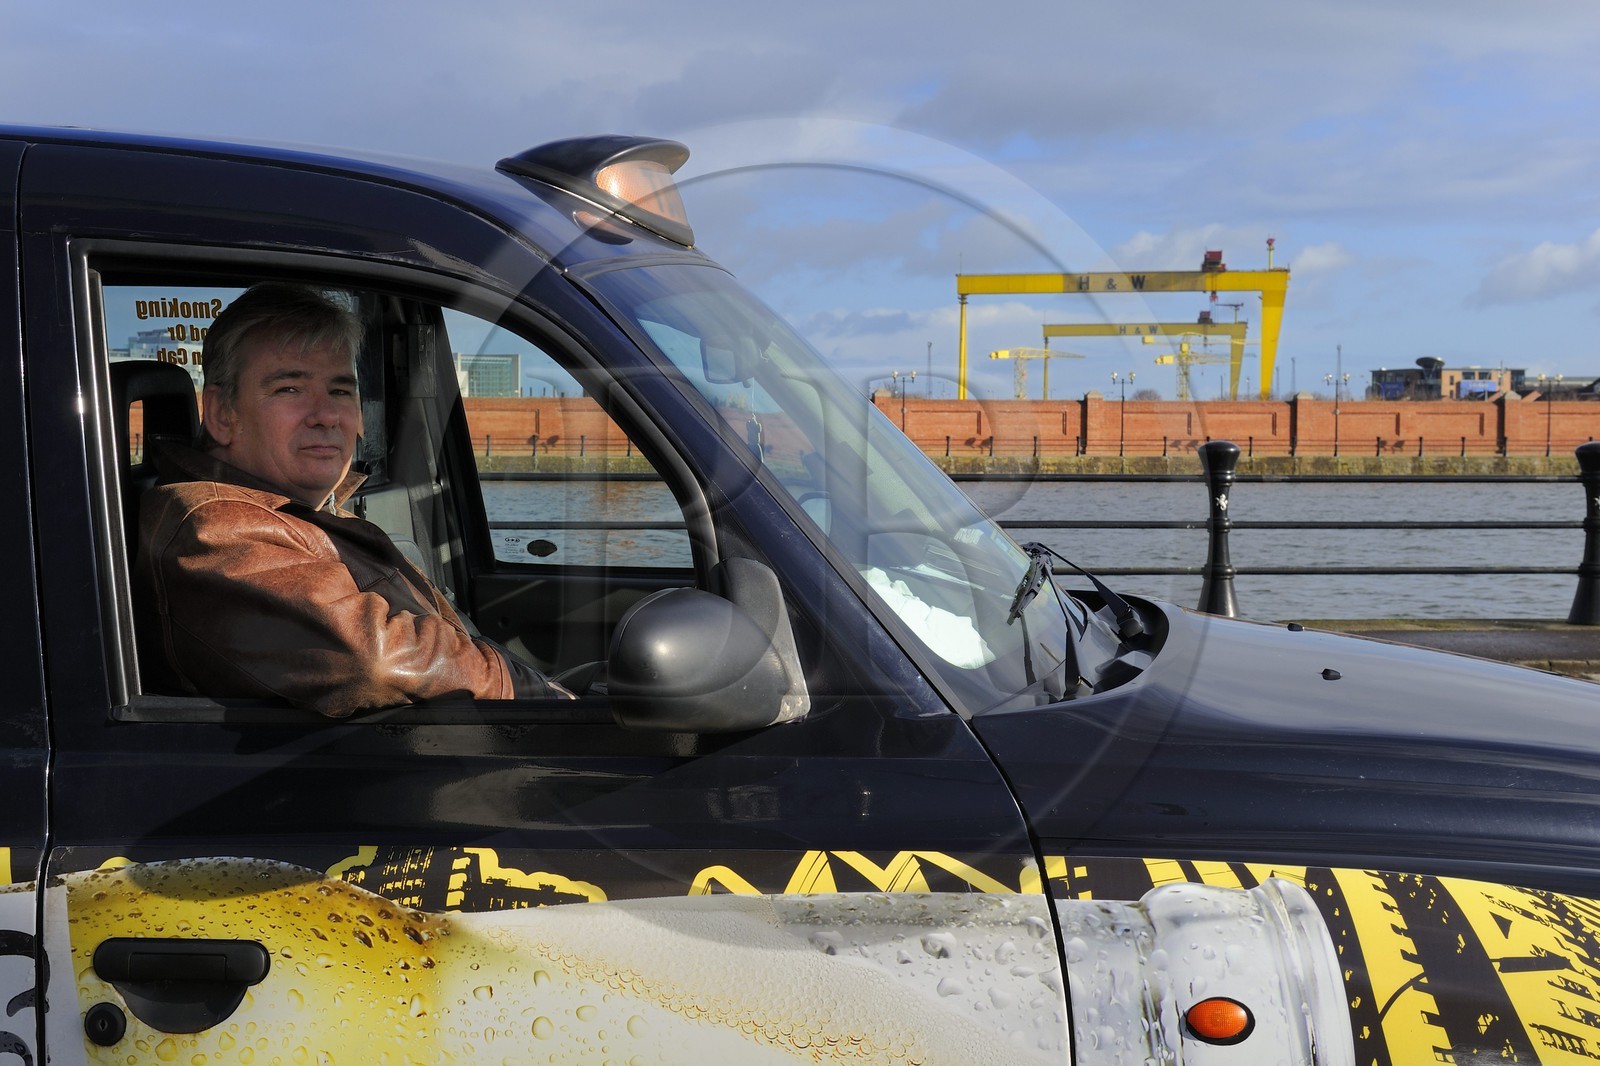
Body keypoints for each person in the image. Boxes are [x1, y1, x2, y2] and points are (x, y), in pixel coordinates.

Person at [134, 282, 571, 715]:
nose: (326, 415)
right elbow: (374, 661)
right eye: (290, 388)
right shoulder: (215, 526)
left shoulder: (299, 508)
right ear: (222, 413)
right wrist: (532, 692)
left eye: (341, 391)